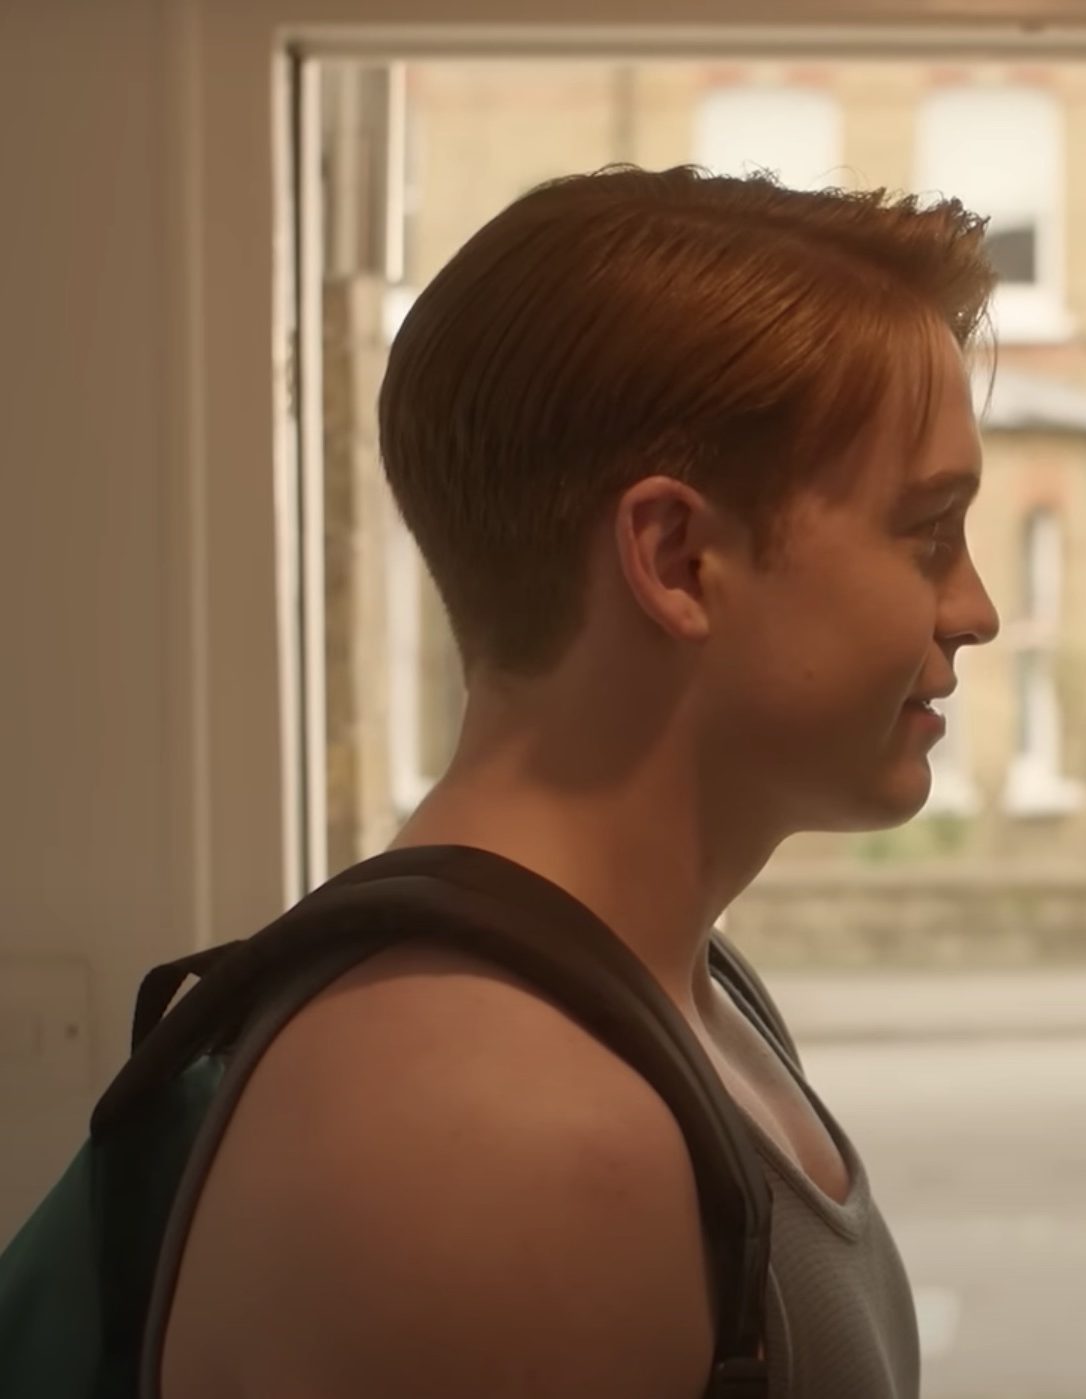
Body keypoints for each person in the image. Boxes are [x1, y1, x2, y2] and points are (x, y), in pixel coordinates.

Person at [157, 168, 1001, 1398]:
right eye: (927, 532)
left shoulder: (667, 992)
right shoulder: (495, 1135)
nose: (973, 611)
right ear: (677, 559)